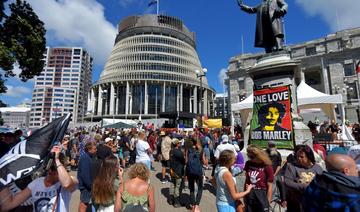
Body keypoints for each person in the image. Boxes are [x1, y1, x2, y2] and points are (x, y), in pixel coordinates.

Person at [0, 145, 78, 212]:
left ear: (63, 167)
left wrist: (57, 160)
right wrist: (2, 178)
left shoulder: (71, 180)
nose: (51, 171)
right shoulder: (36, 183)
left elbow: (66, 184)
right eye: (49, 167)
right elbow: (9, 204)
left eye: (54, 168)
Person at [284, 144, 323, 212]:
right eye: (297, 156)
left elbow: (322, 182)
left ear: (309, 157)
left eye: (302, 157)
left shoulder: (317, 168)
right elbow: (288, 182)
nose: (299, 158)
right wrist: (304, 186)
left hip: (313, 201)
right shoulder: (291, 167)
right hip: (296, 201)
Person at [244, 145, 274, 212]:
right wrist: (245, 195)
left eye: (252, 157)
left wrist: (267, 202)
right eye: (249, 156)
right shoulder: (248, 164)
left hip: (262, 194)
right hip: (250, 194)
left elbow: (270, 185)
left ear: (259, 156)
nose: (250, 158)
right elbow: (247, 180)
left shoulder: (267, 166)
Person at [186, 138, 205, 212]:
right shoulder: (201, 150)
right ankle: (197, 206)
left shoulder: (189, 149)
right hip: (198, 172)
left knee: (191, 188)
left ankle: (193, 206)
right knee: (200, 188)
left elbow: (186, 161)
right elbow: (204, 162)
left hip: (190, 172)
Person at [78, 141, 98, 212]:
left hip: (87, 185)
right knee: (84, 203)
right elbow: (85, 174)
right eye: (94, 149)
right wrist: (90, 185)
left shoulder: (88, 157)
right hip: (85, 186)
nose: (96, 150)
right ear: (89, 149)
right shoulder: (85, 158)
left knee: (85, 202)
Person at [169, 138, 185, 208]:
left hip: (172, 170)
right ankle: (176, 202)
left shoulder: (171, 151)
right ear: (177, 144)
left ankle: (171, 200)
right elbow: (183, 160)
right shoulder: (178, 152)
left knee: (172, 184)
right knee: (177, 186)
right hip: (178, 171)